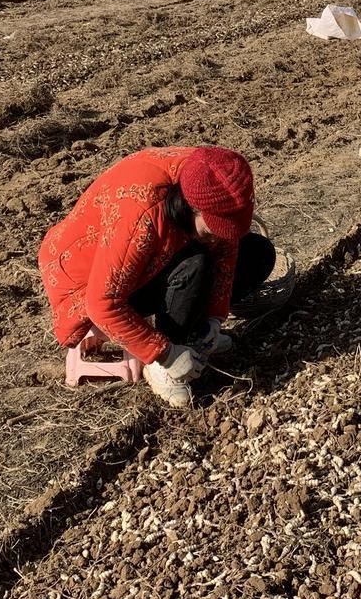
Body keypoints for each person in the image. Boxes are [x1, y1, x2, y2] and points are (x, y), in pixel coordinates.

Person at [39, 146, 276, 407]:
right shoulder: (141, 215)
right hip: (87, 279)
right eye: (211, 227)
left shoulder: (210, 177)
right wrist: (164, 353)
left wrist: (214, 318)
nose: (218, 235)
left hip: (148, 256)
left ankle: (196, 336)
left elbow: (225, 249)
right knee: (196, 263)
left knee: (257, 253)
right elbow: (103, 303)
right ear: (191, 207)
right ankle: (163, 365)